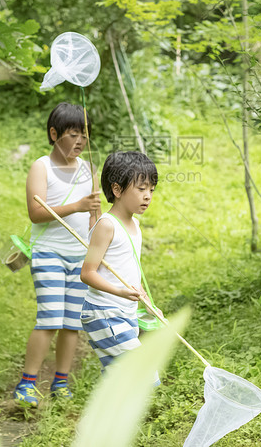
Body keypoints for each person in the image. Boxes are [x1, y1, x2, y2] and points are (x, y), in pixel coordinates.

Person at [14, 102, 100, 406]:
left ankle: (60, 381)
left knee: (71, 323)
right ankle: (27, 383)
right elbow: (36, 213)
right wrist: (76, 205)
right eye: (72, 134)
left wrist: (96, 245)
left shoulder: (88, 168)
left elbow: (94, 214)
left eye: (84, 135)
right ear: (54, 134)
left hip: (80, 256)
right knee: (50, 319)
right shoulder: (42, 166)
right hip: (49, 252)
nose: (79, 141)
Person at [80, 151, 161, 373]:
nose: (148, 196)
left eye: (151, 190)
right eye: (141, 188)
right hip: (103, 312)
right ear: (117, 189)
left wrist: (148, 303)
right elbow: (87, 273)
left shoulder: (135, 225)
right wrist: (119, 291)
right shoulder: (107, 225)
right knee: (141, 375)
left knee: (118, 378)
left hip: (125, 312)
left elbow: (132, 274)